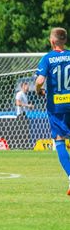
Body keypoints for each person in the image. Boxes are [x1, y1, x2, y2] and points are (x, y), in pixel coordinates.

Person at [35, 27, 70, 196]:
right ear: (65, 40)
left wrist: (38, 90)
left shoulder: (48, 58)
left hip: (57, 106)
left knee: (59, 139)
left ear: (52, 40)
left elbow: (40, 81)